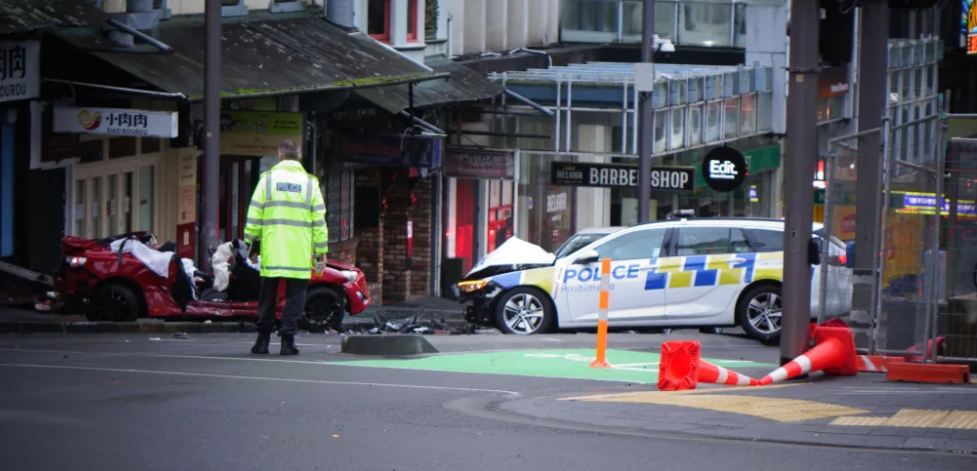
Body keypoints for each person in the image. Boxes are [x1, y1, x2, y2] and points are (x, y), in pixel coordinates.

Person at [244, 140, 328, 355]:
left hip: (272, 249)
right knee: (295, 297)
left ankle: (262, 341)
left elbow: (254, 214)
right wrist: (320, 251)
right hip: (299, 251)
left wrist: (250, 243)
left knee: (268, 295)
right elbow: (319, 221)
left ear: (279, 157)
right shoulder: (310, 184)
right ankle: (287, 342)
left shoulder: (267, 181)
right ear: (298, 158)